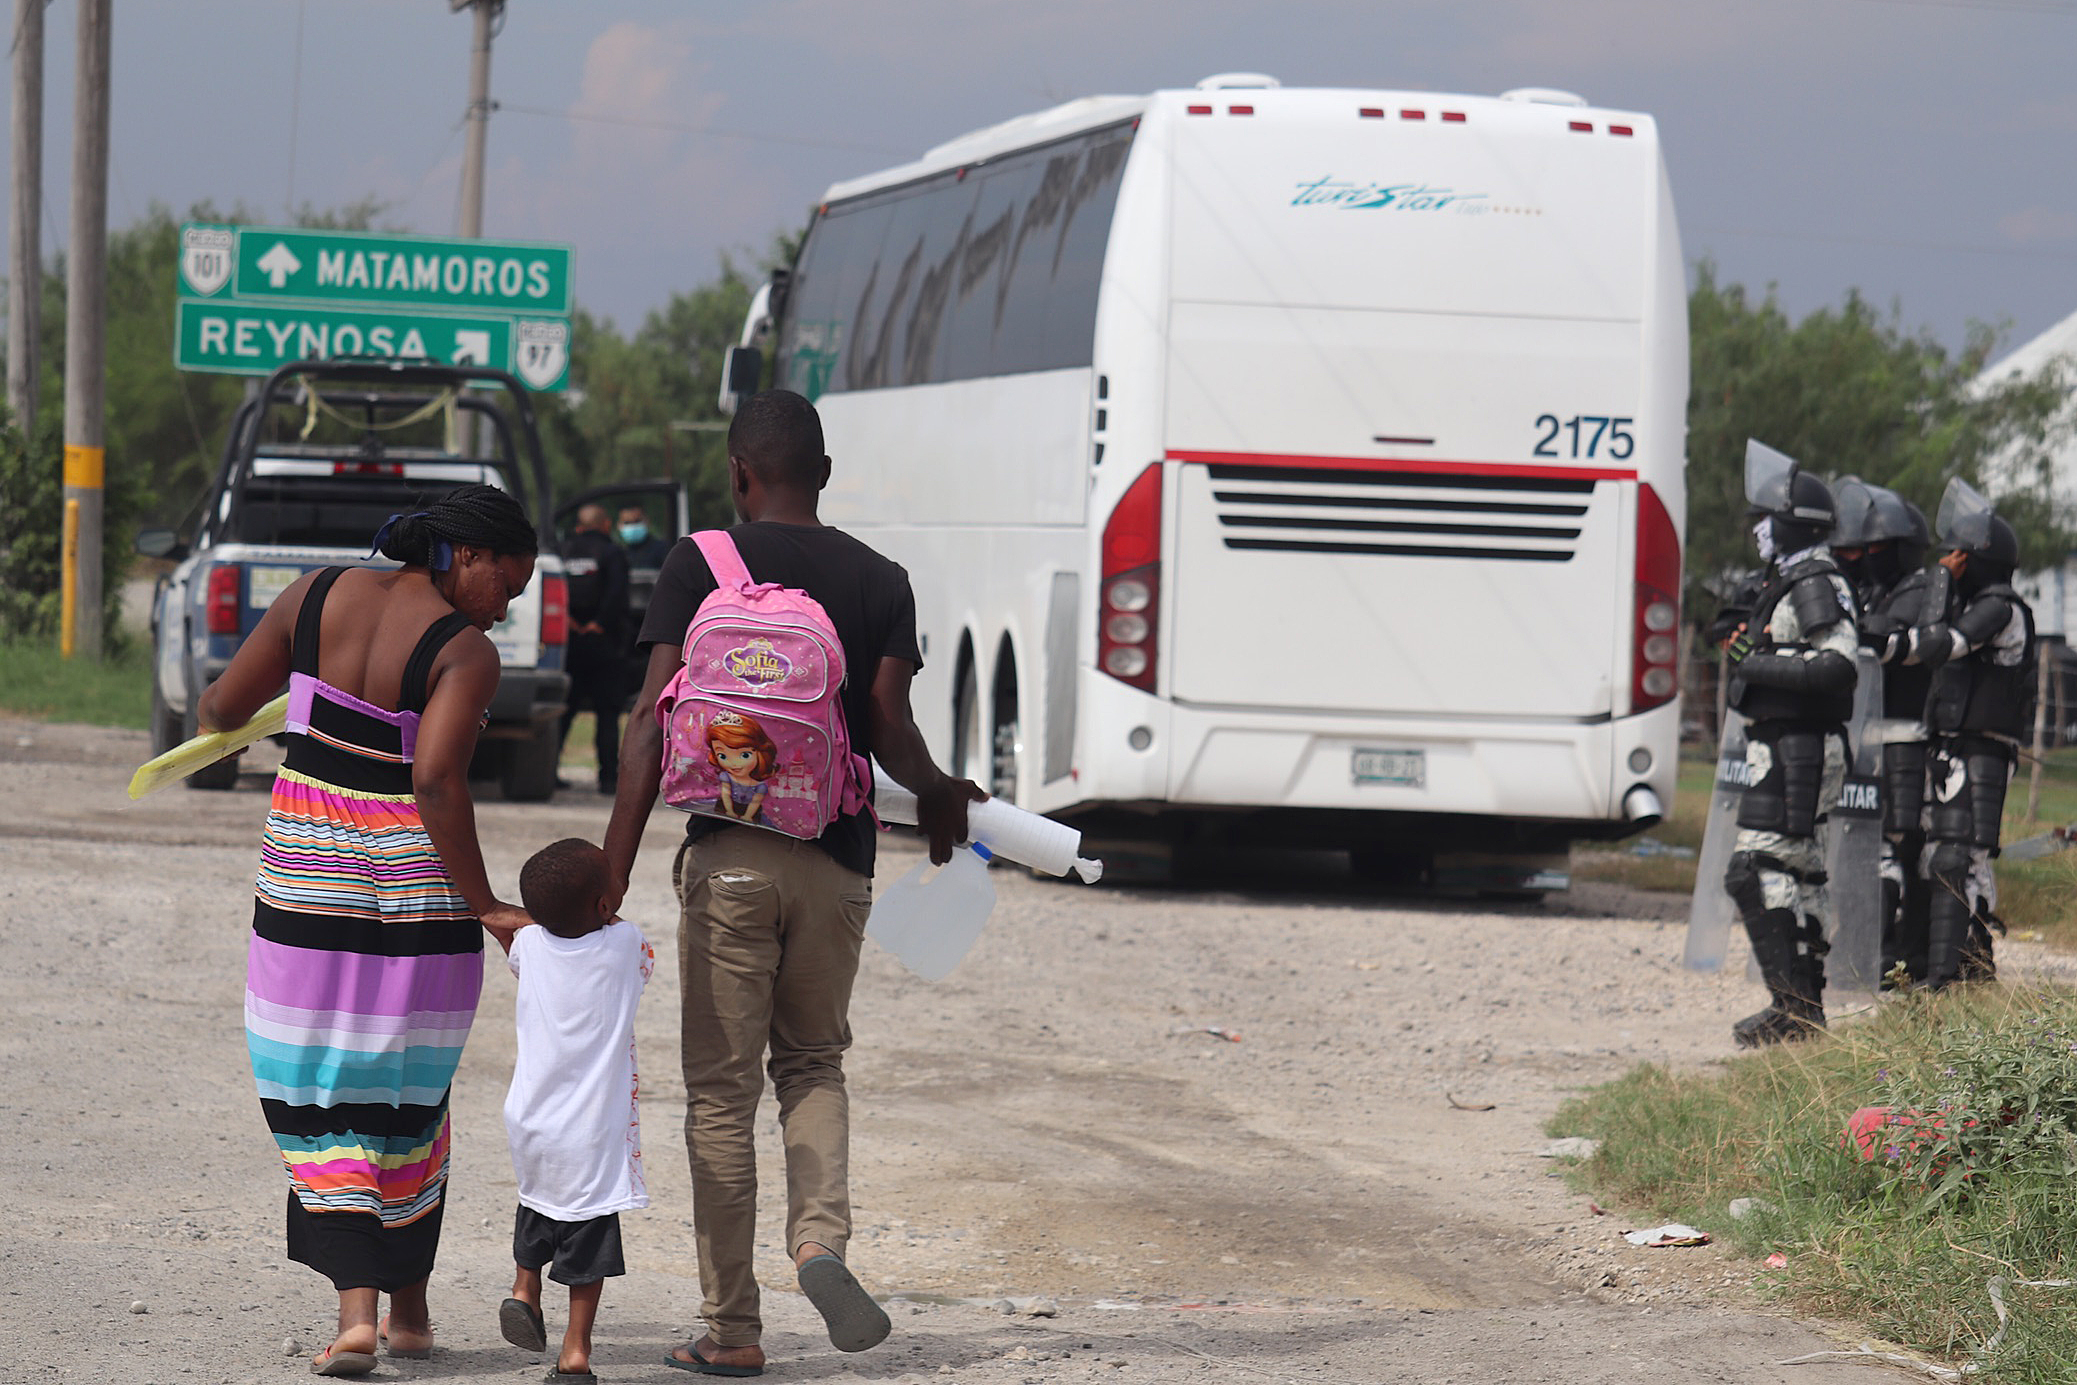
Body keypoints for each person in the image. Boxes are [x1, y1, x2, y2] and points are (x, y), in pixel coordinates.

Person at [603, 389, 983, 1377]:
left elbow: (649, 720)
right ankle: (819, 1243)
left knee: (720, 1098)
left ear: (738, 472)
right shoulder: (881, 578)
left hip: (728, 854)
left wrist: (612, 864)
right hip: (837, 857)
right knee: (811, 1063)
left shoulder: (698, 562)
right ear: (823, 472)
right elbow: (890, 726)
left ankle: (732, 1327)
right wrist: (942, 793)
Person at [195, 485, 538, 1376]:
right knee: (408, 1087)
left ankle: (362, 1317)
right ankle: (406, 1313)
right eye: (509, 583)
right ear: (465, 554)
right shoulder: (464, 652)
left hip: (307, 873)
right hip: (417, 887)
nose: (507, 607)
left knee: (321, 1083)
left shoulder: (311, 593)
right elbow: (435, 782)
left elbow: (222, 705)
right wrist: (489, 904)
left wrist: (230, 730)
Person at [497, 837, 654, 1384]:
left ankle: (524, 1288)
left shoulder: (529, 945)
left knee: (537, 1204)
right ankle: (575, 1349)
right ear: (604, 905)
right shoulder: (625, 943)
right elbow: (640, 957)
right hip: (592, 1130)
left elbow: (530, 941)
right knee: (589, 1236)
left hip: (530, 1120)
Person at [1719, 446, 1859, 1048]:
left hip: (1800, 747)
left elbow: (1838, 665)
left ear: (1795, 523)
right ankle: (1802, 1012)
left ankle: (1792, 1008)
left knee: (1757, 869)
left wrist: (1760, 662)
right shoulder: (1792, 579)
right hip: (1782, 744)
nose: (1758, 530)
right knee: (1797, 875)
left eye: (1768, 518)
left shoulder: (1815, 580)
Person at [1899, 481, 2035, 989]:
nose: (1952, 563)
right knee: (1937, 855)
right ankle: (1944, 971)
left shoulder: (1999, 607)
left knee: (1967, 857)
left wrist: (1937, 581)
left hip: (1984, 751)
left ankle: (1963, 973)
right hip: (1952, 746)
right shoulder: (1973, 604)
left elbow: (1939, 644)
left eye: (1959, 557)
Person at [1838, 487, 1937, 986]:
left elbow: (1889, 638)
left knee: (1905, 842)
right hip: (1871, 735)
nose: (1871, 557)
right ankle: (1866, 947)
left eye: (1879, 548)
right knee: (1869, 842)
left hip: (1909, 735)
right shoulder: (1878, 591)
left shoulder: (1923, 591)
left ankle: (1907, 952)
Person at [562, 505, 633, 794]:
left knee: (564, 710)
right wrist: (599, 624)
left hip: (569, 642)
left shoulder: (564, 551)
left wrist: (569, 623)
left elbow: (553, 589)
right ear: (605, 525)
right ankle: (607, 779)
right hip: (604, 644)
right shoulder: (613, 553)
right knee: (607, 713)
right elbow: (618, 593)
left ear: (579, 526)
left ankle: (550, 772)